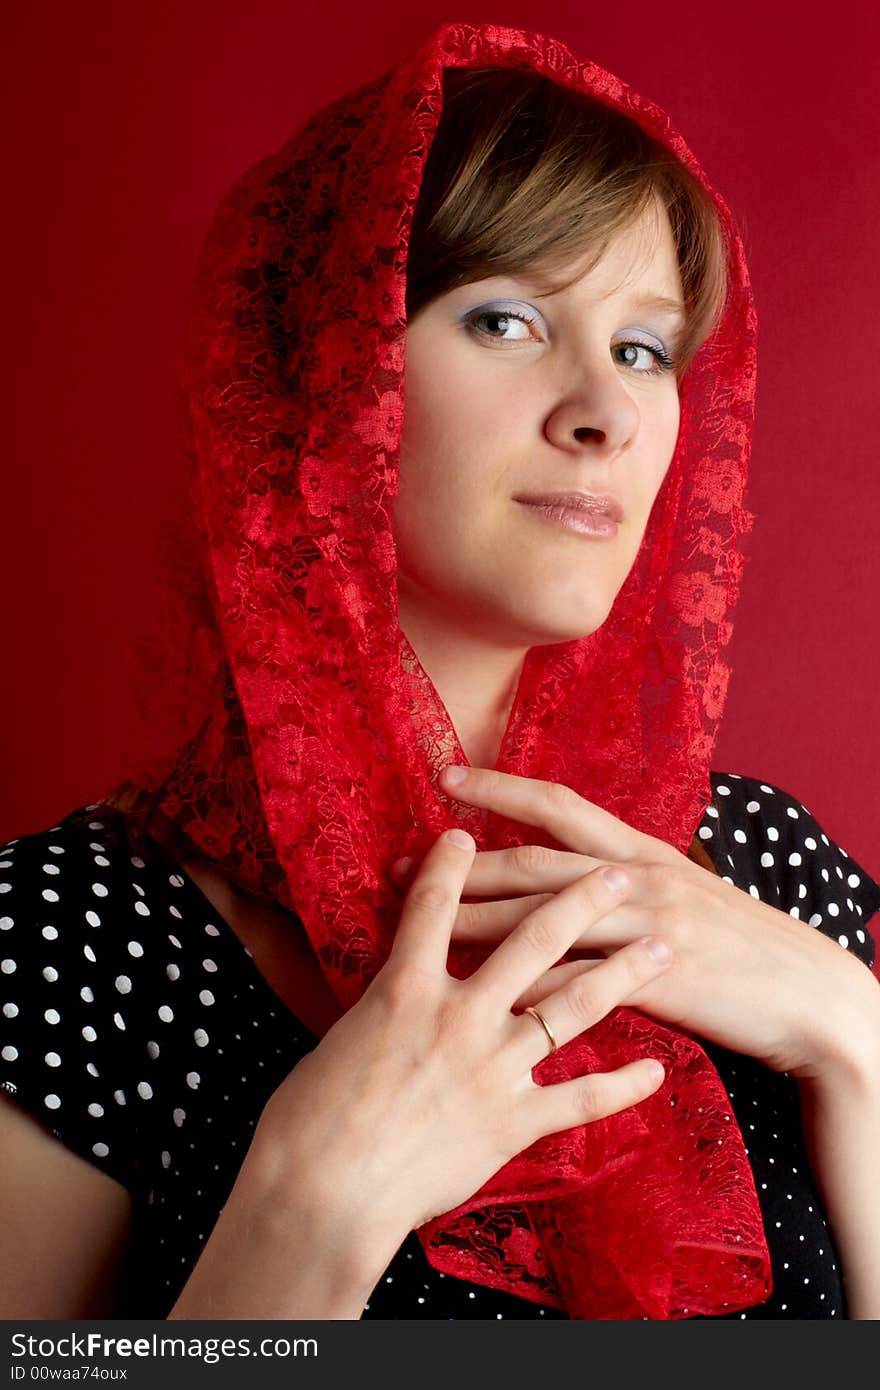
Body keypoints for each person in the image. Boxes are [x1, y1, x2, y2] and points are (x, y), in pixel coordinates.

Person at [1, 20, 879, 1321]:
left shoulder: (773, 874)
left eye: (645, 346)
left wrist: (852, 1038)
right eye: (509, 317)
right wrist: (307, 1212)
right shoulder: (74, 942)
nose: (606, 408)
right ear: (327, 367)